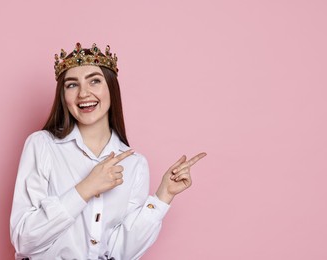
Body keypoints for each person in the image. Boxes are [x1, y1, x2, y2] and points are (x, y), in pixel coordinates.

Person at [10, 42, 206, 260]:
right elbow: (24, 241)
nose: (84, 93)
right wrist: (86, 188)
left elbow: (121, 252)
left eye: (94, 81)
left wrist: (164, 196)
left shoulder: (134, 163)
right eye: (72, 85)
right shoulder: (42, 145)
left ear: (111, 88)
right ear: (63, 96)